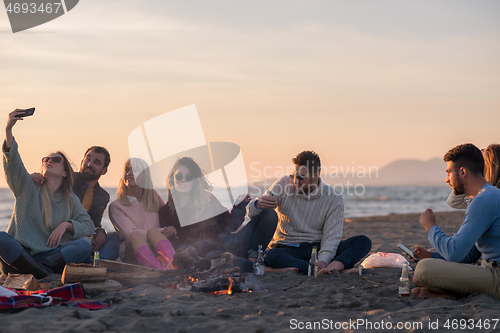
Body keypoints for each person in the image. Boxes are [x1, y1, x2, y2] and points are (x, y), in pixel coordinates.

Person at [0, 109, 95, 278]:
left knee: (84, 245)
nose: (49, 161)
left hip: (49, 257)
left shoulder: (70, 199)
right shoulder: (28, 185)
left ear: (65, 172)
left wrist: (66, 225)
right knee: (2, 238)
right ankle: (44, 274)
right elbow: (13, 162)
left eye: (56, 159)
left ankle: (39, 270)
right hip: (19, 257)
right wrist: (8, 130)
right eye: (46, 159)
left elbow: (88, 226)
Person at [248, 151, 372, 274]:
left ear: (315, 176)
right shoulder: (283, 184)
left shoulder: (334, 197)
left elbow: (331, 237)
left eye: (301, 177)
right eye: (293, 176)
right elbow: (254, 215)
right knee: (272, 256)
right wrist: (257, 205)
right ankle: (319, 269)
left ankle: (332, 266)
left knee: (363, 241)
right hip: (287, 248)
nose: (296, 181)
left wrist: (323, 260)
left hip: (317, 249)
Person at [412, 143, 500, 299]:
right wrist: (431, 256)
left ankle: (452, 294)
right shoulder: (486, 196)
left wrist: (431, 227)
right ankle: (448, 293)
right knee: (425, 265)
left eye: (448, 172)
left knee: (423, 270)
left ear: (463, 172)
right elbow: (471, 254)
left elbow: (454, 252)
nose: (446, 179)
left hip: (496, 276)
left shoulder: (484, 199)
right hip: (489, 270)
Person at [32, 146, 118, 260]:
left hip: (81, 238)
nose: (89, 164)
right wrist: (36, 176)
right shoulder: (66, 179)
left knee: (116, 238)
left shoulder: (102, 196)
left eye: (96, 162)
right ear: (82, 161)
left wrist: (100, 231)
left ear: (104, 170)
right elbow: (47, 181)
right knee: (83, 244)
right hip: (58, 240)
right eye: (88, 159)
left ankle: (94, 261)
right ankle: (87, 260)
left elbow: (93, 223)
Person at [158, 157, 248, 258]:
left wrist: (240, 205)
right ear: (172, 179)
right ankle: (254, 262)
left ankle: (253, 258)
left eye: (189, 178)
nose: (183, 180)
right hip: (202, 258)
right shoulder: (164, 212)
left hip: (226, 245)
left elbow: (232, 225)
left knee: (266, 215)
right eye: (179, 176)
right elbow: (172, 246)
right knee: (217, 257)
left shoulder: (207, 199)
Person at [109, 158, 175, 270]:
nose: (129, 173)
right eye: (127, 170)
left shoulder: (152, 196)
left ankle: (175, 265)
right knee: (138, 234)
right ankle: (160, 272)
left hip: (156, 250)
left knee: (153, 232)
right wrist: (162, 231)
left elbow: (167, 216)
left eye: (135, 170)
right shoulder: (116, 206)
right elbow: (130, 234)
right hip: (133, 255)